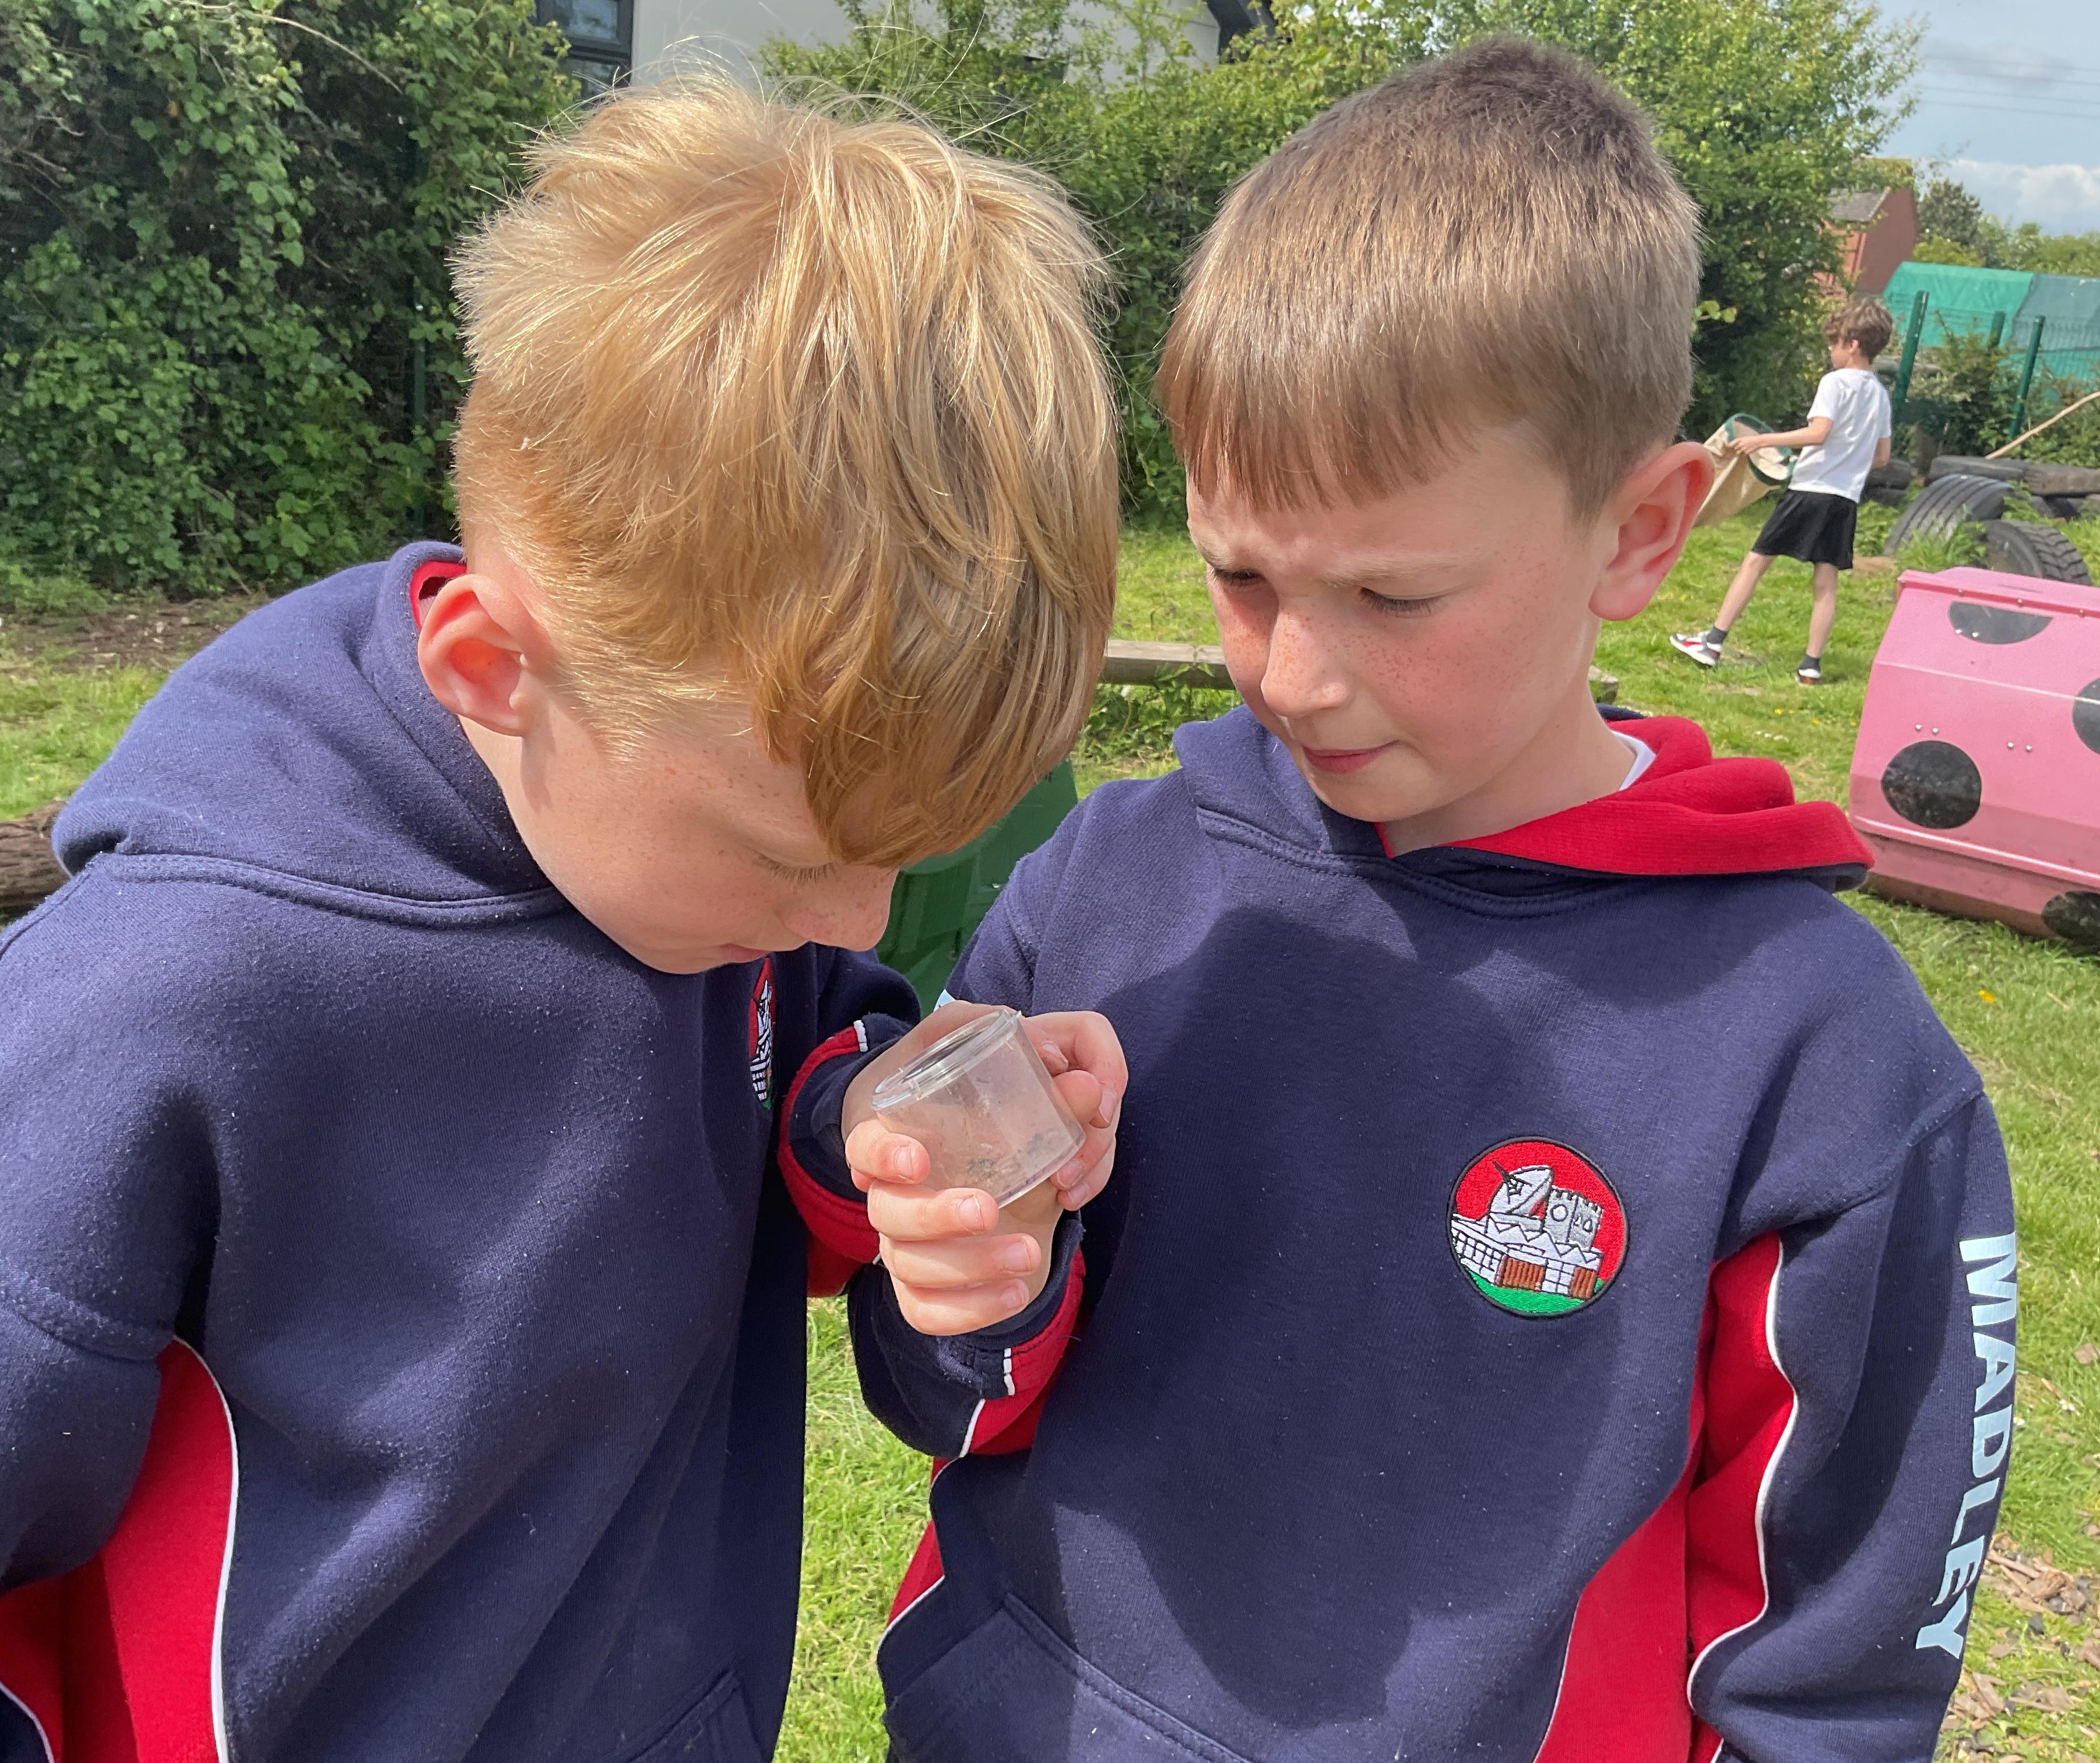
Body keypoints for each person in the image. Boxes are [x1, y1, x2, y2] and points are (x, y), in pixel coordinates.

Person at [0, 82, 1129, 1761]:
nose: (850, 918)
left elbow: (801, 1110)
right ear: (493, 669)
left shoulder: (692, 878)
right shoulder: (164, 999)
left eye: (904, 859)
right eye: (786, 866)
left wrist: (904, 1159)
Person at [784, 40, 2013, 1763]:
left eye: (1395, 595)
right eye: (1240, 573)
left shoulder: (1820, 1062)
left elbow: (1837, 1653)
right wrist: (980, 1281)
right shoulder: (1104, 888)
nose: (1293, 673)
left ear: (1641, 531)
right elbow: (946, 1397)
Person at [1672, 299, 1897, 684]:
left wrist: (1762, 441)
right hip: (1844, 500)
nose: (1831, 351)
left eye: (1835, 343)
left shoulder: (1835, 383)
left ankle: (1712, 643)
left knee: (1755, 563)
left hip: (1809, 491)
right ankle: (1811, 666)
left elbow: (1819, 433)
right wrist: (1846, 461)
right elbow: (1882, 457)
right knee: (1826, 582)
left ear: (1854, 345)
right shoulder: (1880, 395)